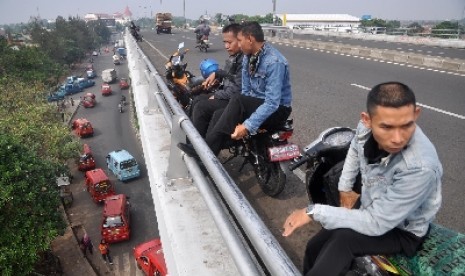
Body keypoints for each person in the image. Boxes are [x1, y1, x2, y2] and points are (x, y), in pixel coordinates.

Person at [282, 82, 443, 275]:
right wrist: (345, 188)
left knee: (342, 242)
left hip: (401, 229)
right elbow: (355, 150)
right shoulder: (365, 128)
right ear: (367, 120)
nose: (398, 138)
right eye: (387, 127)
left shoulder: (420, 167)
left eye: (406, 125)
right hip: (370, 203)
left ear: (416, 114)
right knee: (315, 247)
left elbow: (377, 222)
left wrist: (312, 212)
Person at [182, 21, 292, 156]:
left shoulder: (274, 62)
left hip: (277, 110)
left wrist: (247, 125)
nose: (238, 45)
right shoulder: (248, 58)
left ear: (250, 39)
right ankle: (206, 159)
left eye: (239, 40)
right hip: (257, 103)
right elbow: (246, 92)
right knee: (219, 113)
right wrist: (234, 113)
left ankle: (205, 152)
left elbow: (272, 103)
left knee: (237, 99)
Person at [190, 23, 244, 137]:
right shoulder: (235, 57)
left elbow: (239, 89)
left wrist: (218, 95)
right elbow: (229, 76)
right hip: (230, 94)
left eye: (230, 42)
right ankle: (192, 136)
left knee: (201, 107)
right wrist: (217, 75)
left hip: (235, 99)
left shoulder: (243, 60)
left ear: (240, 40)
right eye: (225, 42)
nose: (226, 46)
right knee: (197, 99)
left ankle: (198, 145)